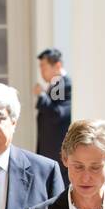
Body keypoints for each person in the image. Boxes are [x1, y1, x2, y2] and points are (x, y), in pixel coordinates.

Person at [33, 48, 72, 182]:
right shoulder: (56, 84)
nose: (41, 71)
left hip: (58, 154)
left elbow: (57, 114)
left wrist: (42, 96)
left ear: (57, 66)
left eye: (44, 66)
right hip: (51, 152)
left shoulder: (61, 83)